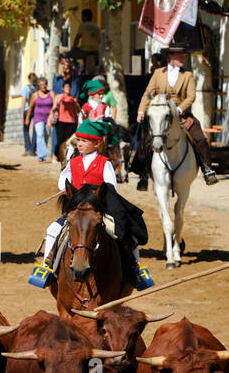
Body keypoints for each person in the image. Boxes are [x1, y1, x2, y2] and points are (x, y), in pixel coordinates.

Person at [29, 119, 152, 290]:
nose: (79, 144)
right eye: (78, 140)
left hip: (97, 209)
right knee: (52, 230)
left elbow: (110, 187)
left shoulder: (104, 163)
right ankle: (46, 266)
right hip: (77, 209)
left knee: (123, 233)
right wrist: (66, 189)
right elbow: (62, 181)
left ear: (96, 143)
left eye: (84, 141)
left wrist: (93, 195)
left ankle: (136, 267)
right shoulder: (73, 162)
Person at [137, 45, 218, 184]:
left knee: (200, 139)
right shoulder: (157, 74)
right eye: (180, 56)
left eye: (184, 55)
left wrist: (179, 109)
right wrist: (141, 111)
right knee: (146, 140)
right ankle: (143, 174)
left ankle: (207, 169)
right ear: (170, 57)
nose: (183, 58)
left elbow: (191, 97)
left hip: (182, 115)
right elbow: (148, 93)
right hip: (161, 114)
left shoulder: (188, 75)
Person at [51, 77, 81, 164]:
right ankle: (55, 156)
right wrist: (51, 118)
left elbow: (78, 110)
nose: (68, 89)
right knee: (60, 140)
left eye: (69, 87)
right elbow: (53, 108)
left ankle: (66, 157)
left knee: (69, 141)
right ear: (62, 88)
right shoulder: (59, 97)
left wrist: (76, 103)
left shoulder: (73, 99)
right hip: (61, 122)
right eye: (66, 87)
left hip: (71, 123)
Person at [26, 77, 55, 162]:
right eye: (42, 85)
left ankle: (41, 154)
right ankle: (41, 156)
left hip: (48, 118)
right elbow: (30, 108)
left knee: (46, 136)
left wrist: (52, 112)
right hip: (38, 118)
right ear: (39, 86)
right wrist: (27, 118)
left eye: (45, 84)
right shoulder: (35, 95)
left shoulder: (51, 93)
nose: (44, 86)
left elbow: (55, 104)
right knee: (40, 135)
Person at [21, 72, 38, 155]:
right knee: (35, 130)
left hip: (27, 110)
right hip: (36, 110)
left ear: (28, 79)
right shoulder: (37, 88)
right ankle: (33, 149)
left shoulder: (26, 88)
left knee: (25, 130)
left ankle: (27, 148)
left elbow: (23, 101)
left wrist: (21, 114)